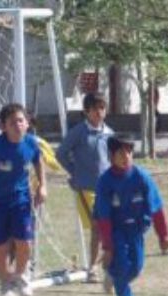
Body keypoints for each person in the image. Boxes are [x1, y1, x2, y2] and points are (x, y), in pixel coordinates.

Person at [93, 137, 168, 296]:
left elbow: (157, 208)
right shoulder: (105, 182)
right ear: (111, 156)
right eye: (121, 152)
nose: (126, 156)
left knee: (136, 267)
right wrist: (108, 247)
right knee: (122, 266)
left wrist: (164, 235)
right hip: (116, 229)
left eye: (129, 151)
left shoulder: (142, 177)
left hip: (136, 230)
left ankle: (112, 275)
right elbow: (103, 217)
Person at [0, 103, 47, 296]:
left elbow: (38, 161)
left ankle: (21, 276)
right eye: (12, 122)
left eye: (21, 120)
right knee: (1, 245)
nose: (18, 125)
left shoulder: (31, 143)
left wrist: (42, 185)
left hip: (21, 201)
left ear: (27, 123)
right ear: (3, 126)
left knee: (24, 242)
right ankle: (6, 282)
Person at [57, 93, 114, 282]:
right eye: (95, 108)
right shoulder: (79, 132)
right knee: (97, 228)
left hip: (108, 189)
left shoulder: (109, 133)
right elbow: (61, 153)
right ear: (86, 111)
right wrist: (75, 172)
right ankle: (92, 269)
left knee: (110, 227)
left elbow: (114, 159)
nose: (99, 112)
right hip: (86, 188)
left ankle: (109, 264)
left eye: (102, 108)